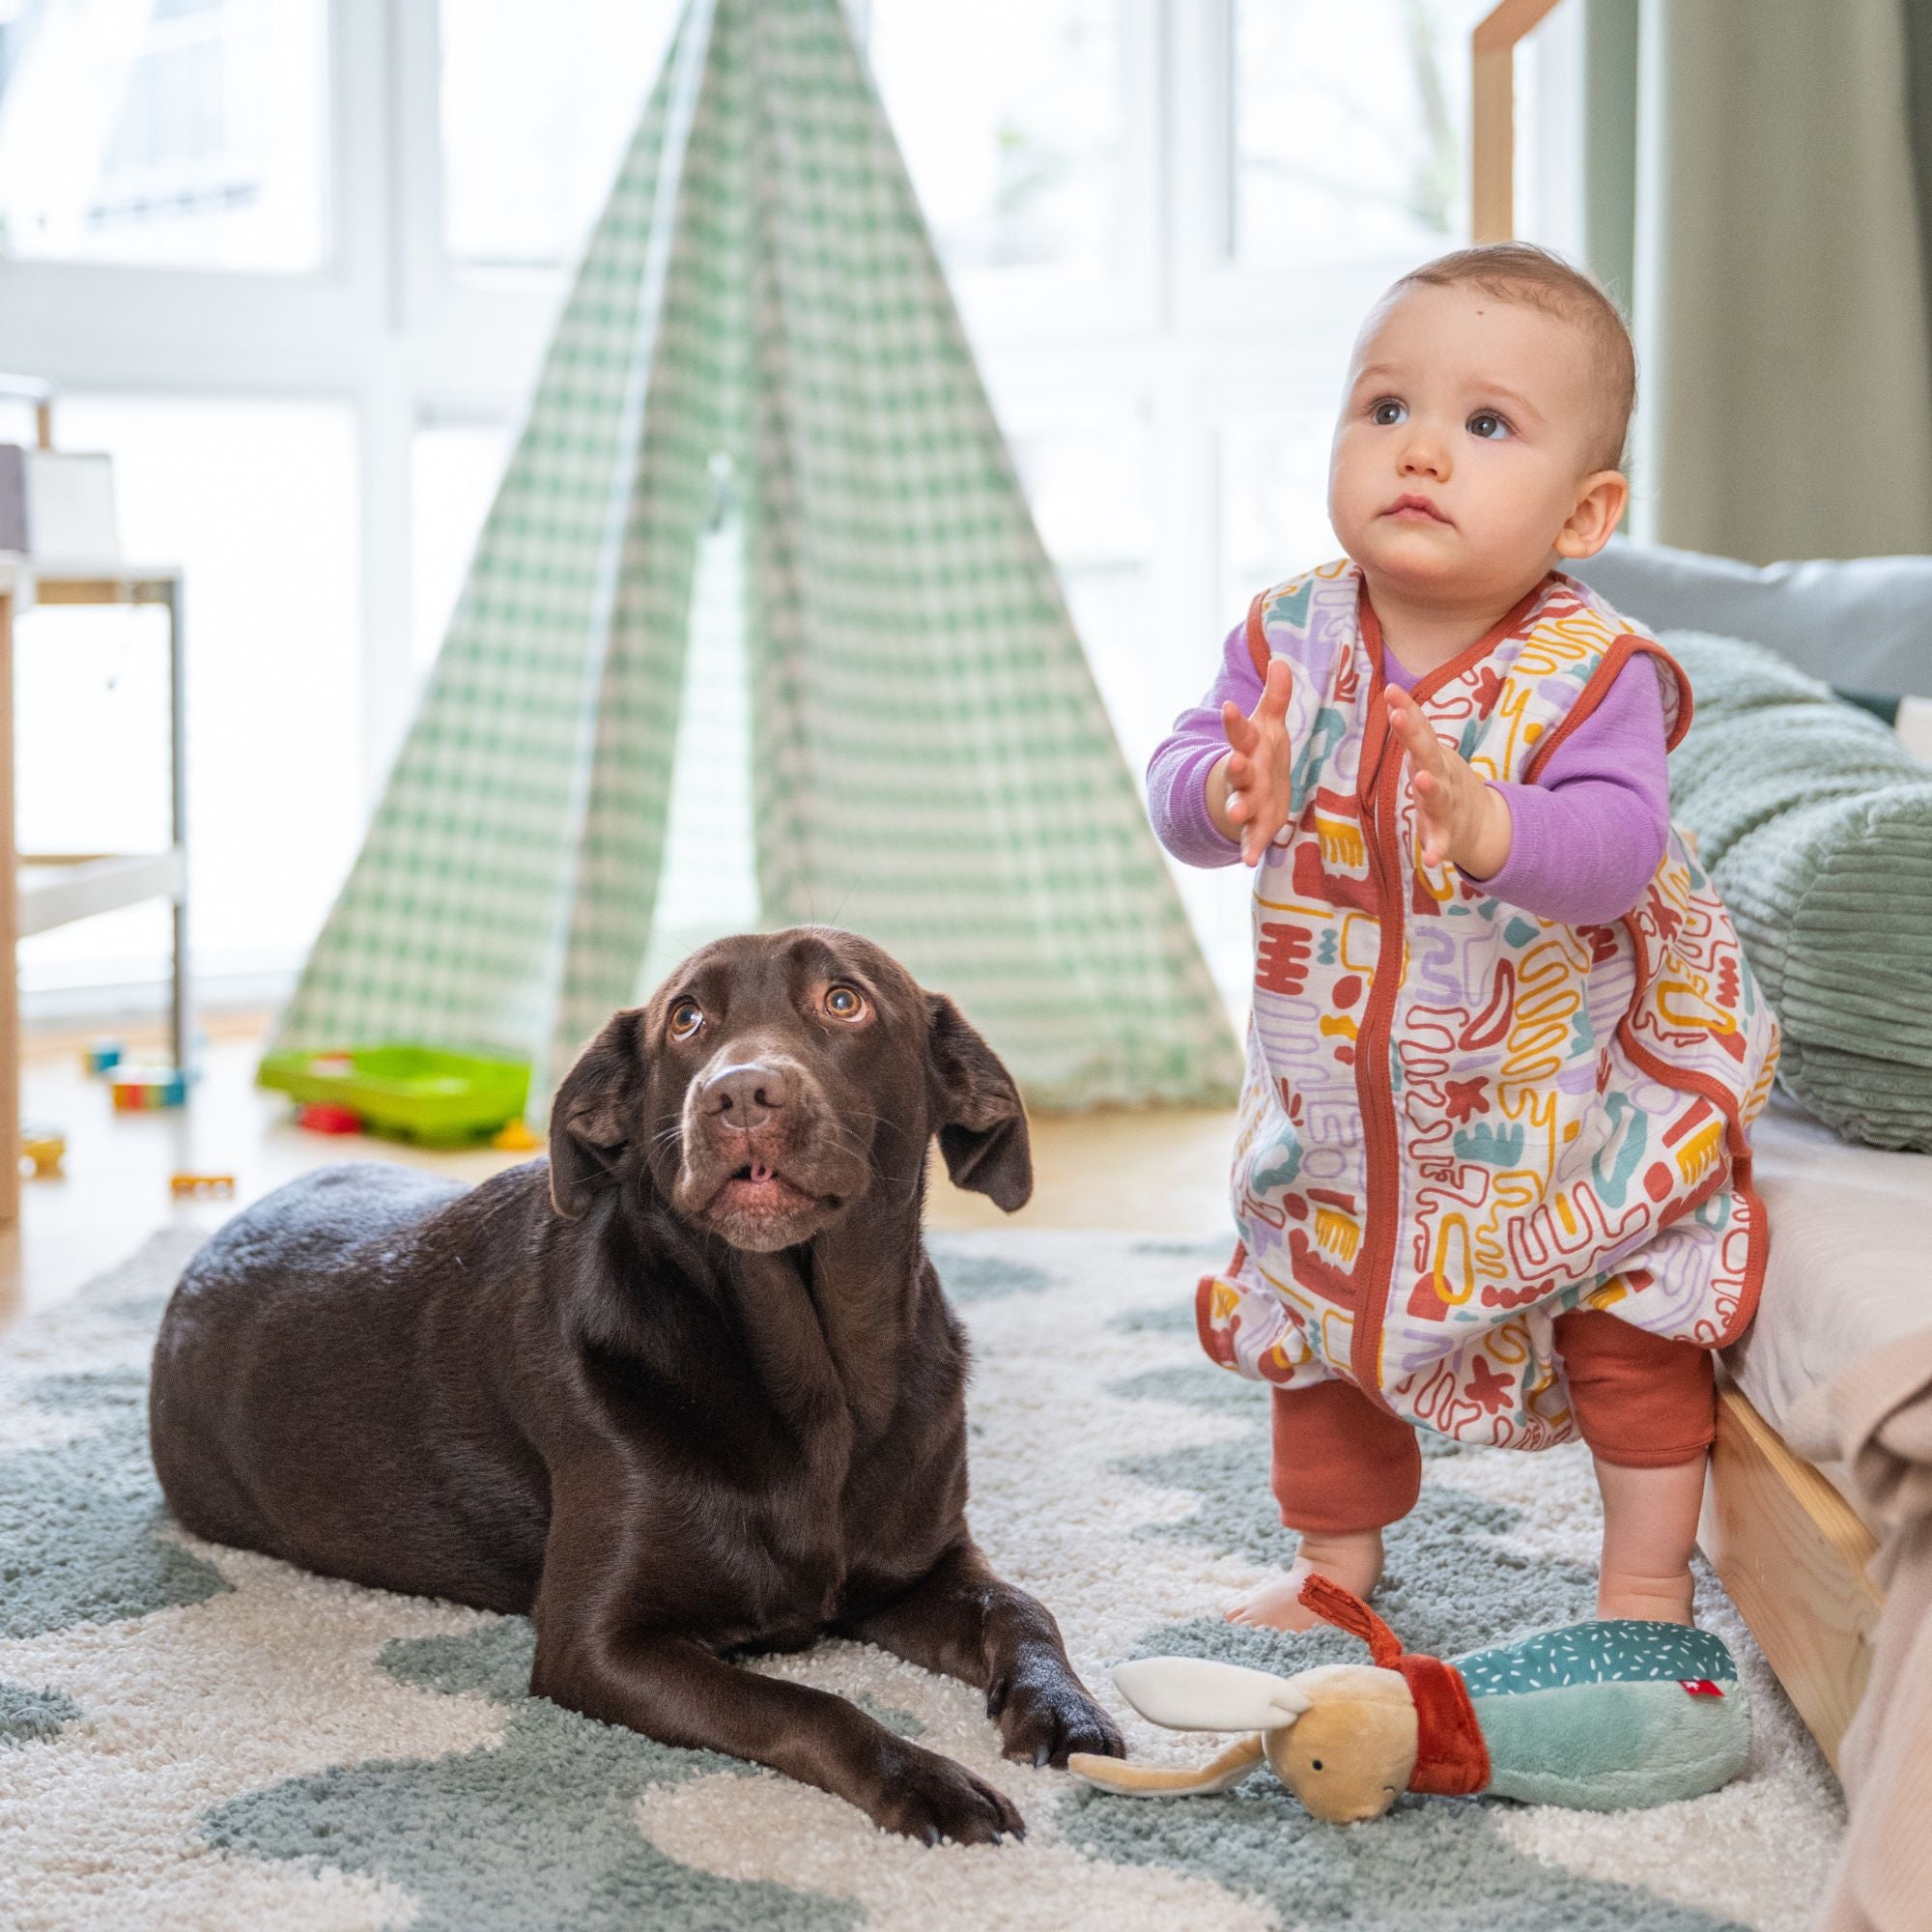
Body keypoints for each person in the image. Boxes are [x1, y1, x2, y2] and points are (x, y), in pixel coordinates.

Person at [1147, 243, 1778, 1632]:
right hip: (1347, 1111)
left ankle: (1641, 1587)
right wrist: (1219, 789)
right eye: (1385, 409)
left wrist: (1491, 821)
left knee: (1628, 1330)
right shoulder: (1289, 634)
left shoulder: (1592, 673)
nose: (1420, 450)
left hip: (1560, 1113)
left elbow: (1615, 857)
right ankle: (1333, 1577)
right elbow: (1181, 778)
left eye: (1485, 426)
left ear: (1586, 509)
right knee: (1316, 1331)